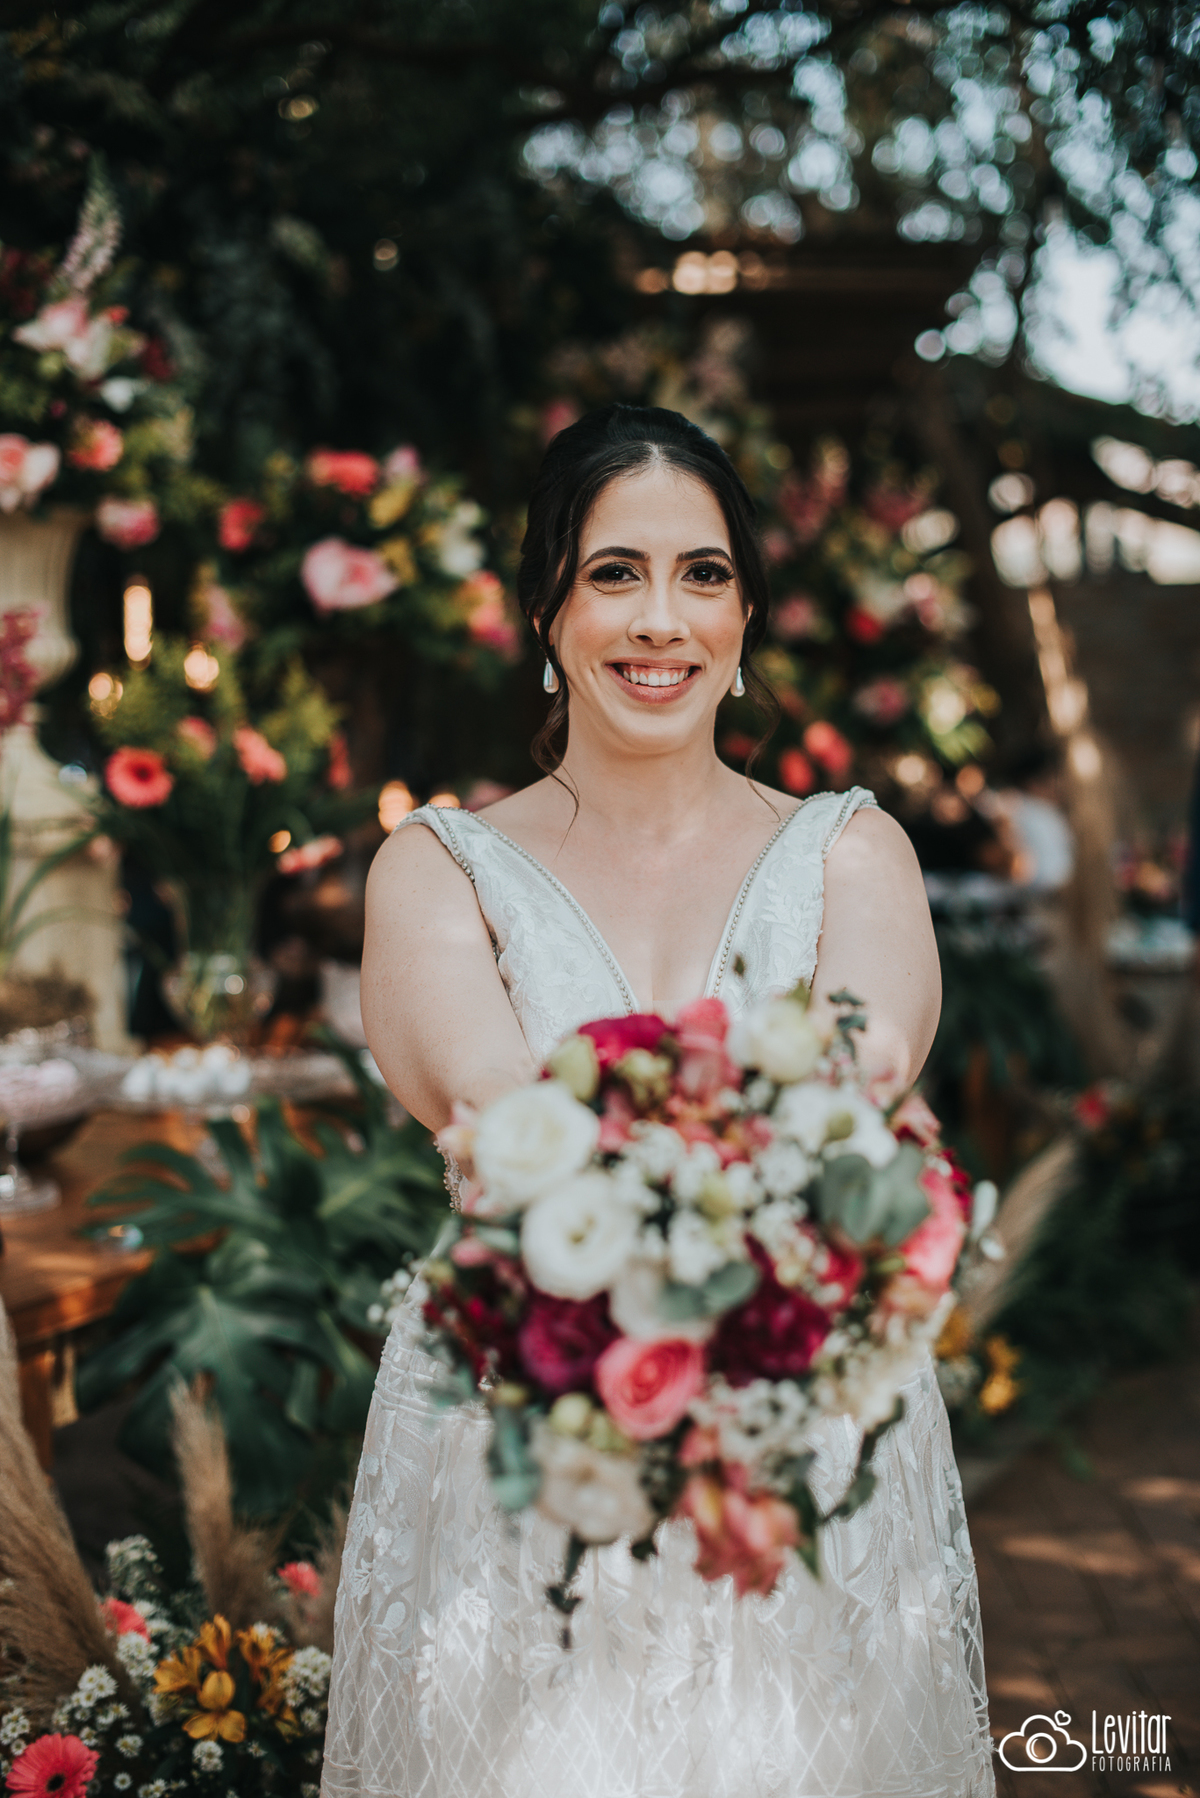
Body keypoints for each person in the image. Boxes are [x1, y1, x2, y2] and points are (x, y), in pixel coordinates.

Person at [322, 406, 994, 1798]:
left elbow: (859, 1098)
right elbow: (499, 1111)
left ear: (746, 614)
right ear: (548, 608)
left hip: (801, 1435)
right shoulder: (438, 869)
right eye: (614, 571)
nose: (661, 620)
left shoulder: (854, 857)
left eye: (702, 574)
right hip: (528, 1419)